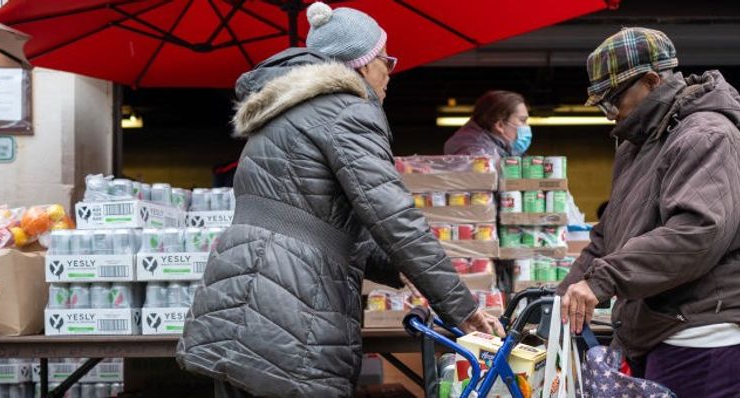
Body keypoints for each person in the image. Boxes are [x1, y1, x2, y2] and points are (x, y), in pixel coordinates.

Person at [176, 4, 503, 397]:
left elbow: (317, 220)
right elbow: (396, 219)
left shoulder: (286, 111)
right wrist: (463, 310)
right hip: (289, 310)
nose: (390, 72)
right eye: (385, 60)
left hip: (240, 300)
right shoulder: (348, 110)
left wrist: (400, 269)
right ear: (361, 64)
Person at [557, 27, 740, 398]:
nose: (610, 116)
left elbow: (695, 233)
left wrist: (602, 281)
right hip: (665, 321)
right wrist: (559, 299)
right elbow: (607, 237)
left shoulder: (706, 136)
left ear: (651, 81)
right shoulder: (637, 147)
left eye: (613, 102)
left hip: (706, 323)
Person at [444, 90, 531, 158]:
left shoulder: (500, 147)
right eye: (522, 120)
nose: (527, 126)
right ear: (500, 125)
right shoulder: (477, 155)